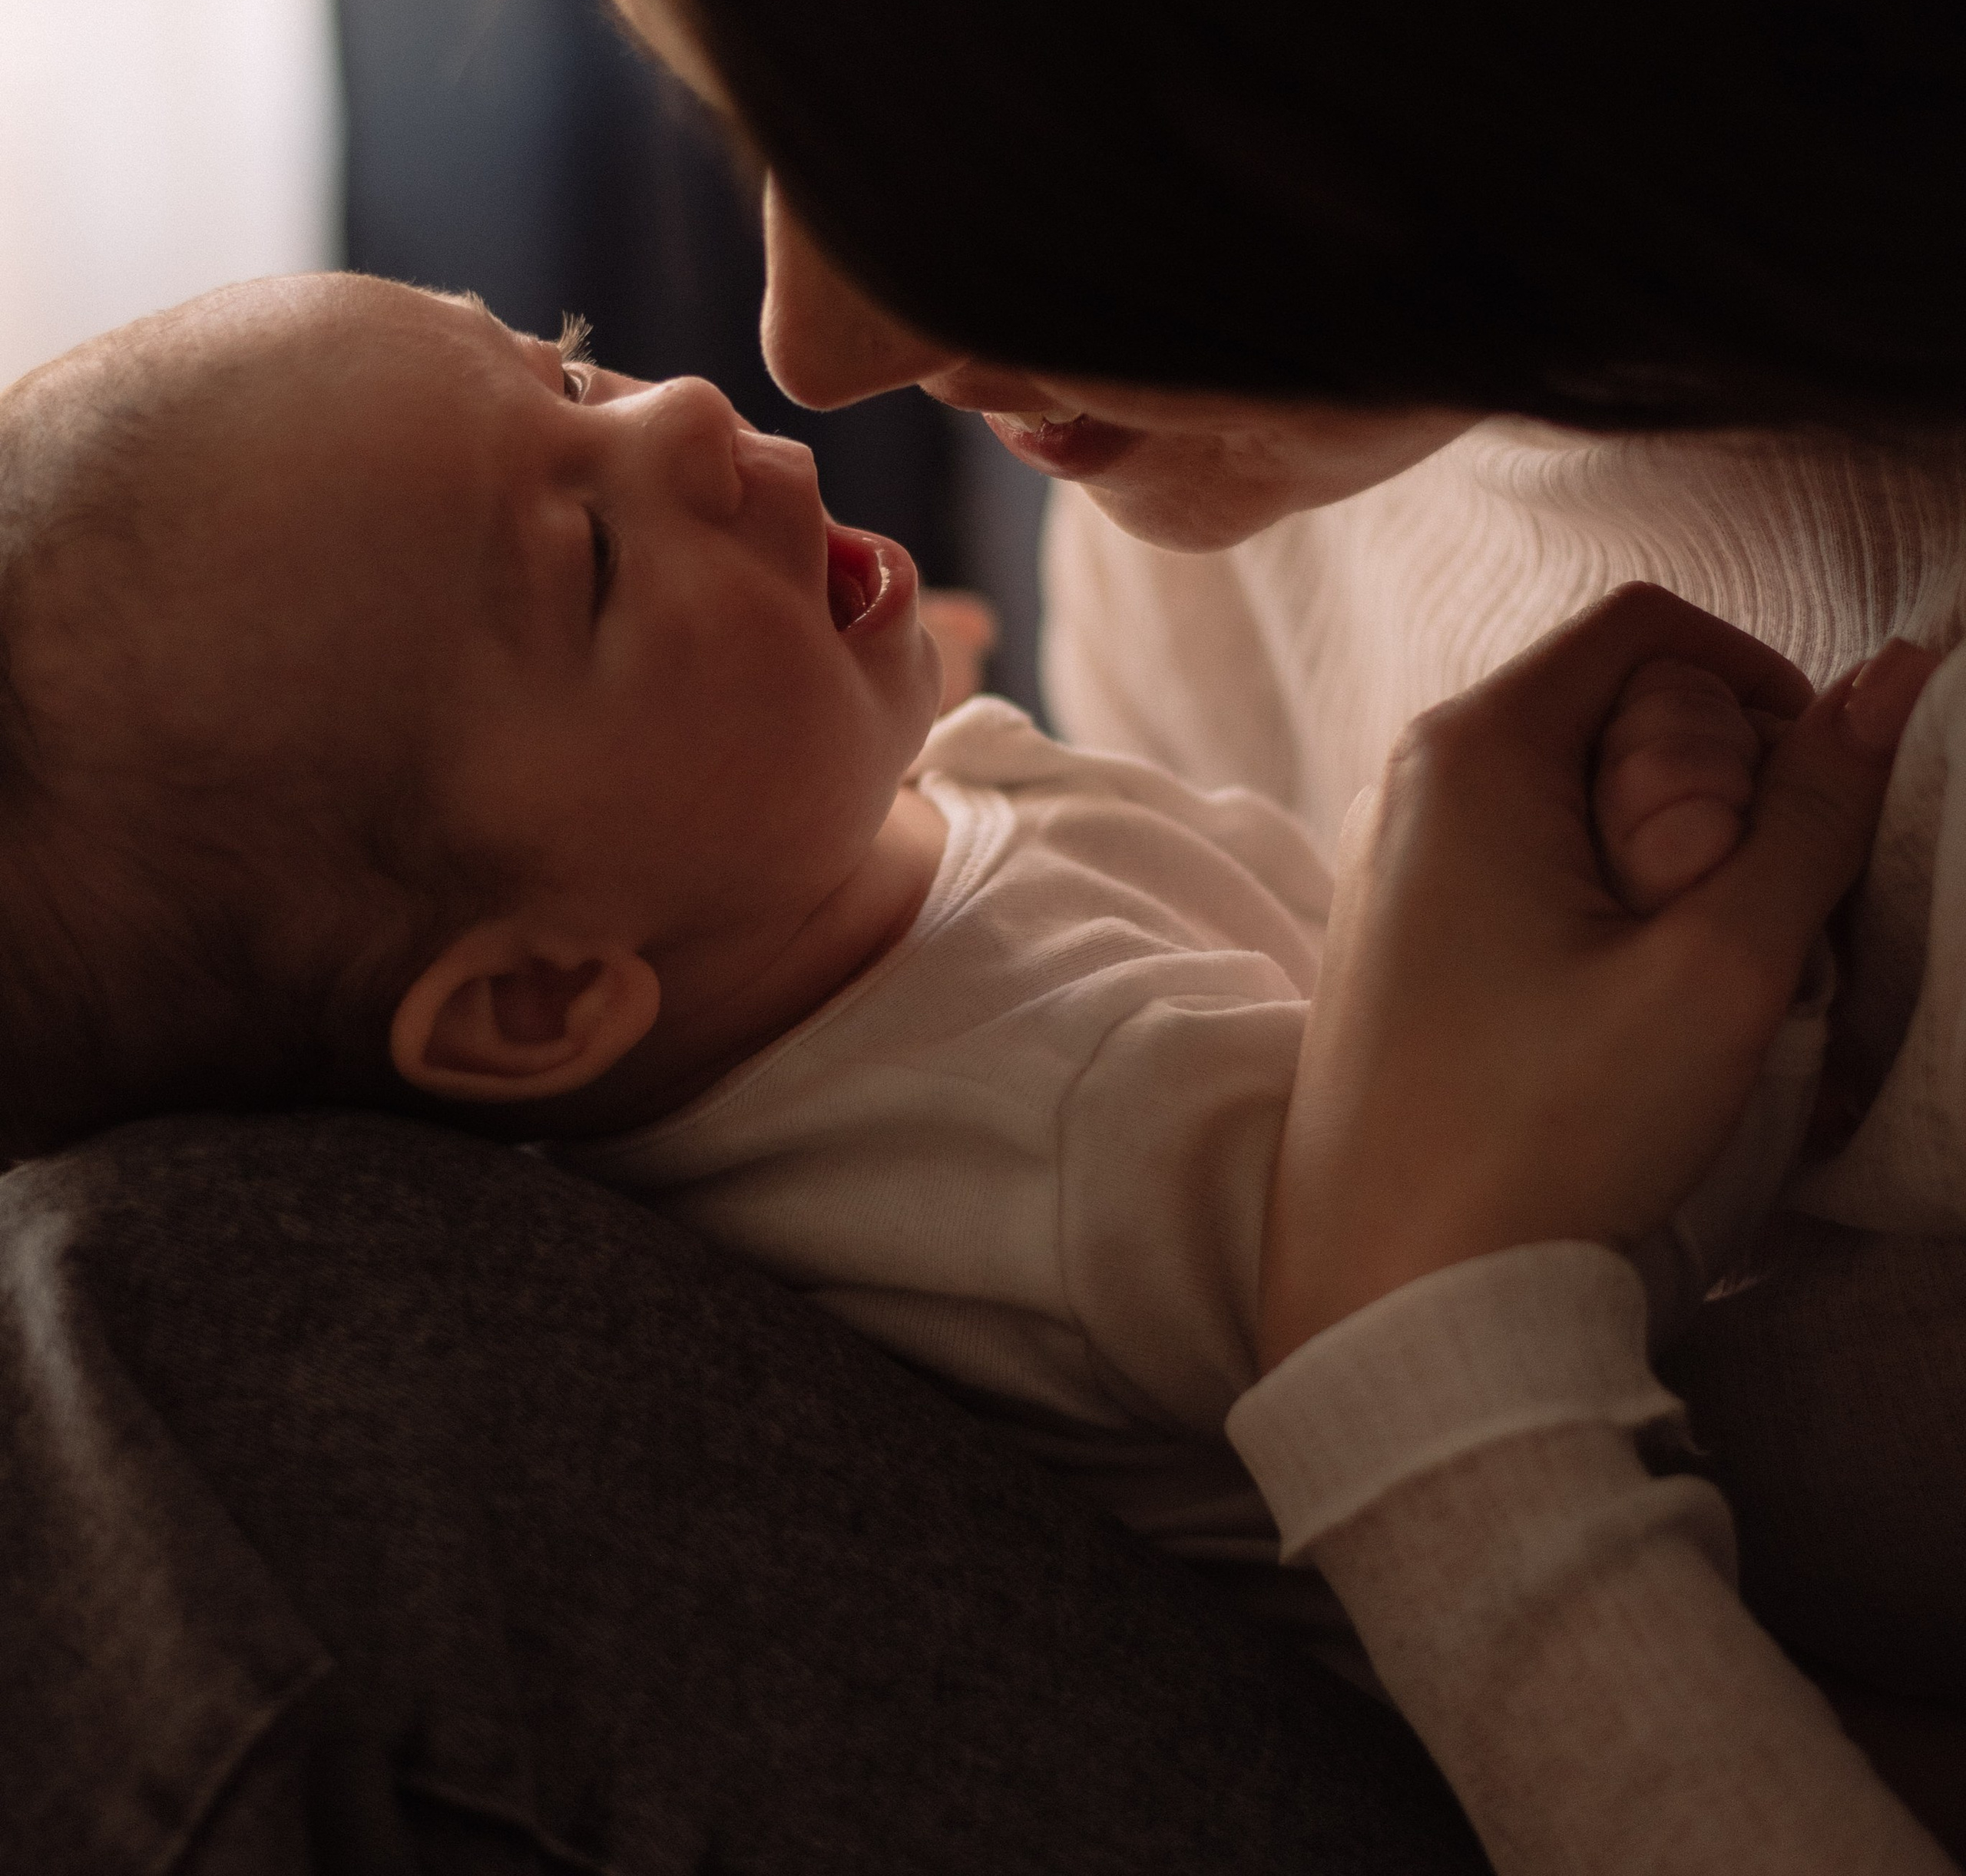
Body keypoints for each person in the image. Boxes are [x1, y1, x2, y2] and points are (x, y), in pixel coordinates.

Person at [465, 0, 1966, 1862]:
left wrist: (1433, 1350)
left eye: (916, 137)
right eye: (745, 127)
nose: (809, 356)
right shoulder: (1219, 447)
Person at [2, 274, 1896, 1508]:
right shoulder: (1074, 1148)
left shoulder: (806, 882)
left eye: (562, 364)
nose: (675, 412)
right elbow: (1534, 1285)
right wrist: (1739, 976)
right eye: (582, 552)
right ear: (537, 1001)